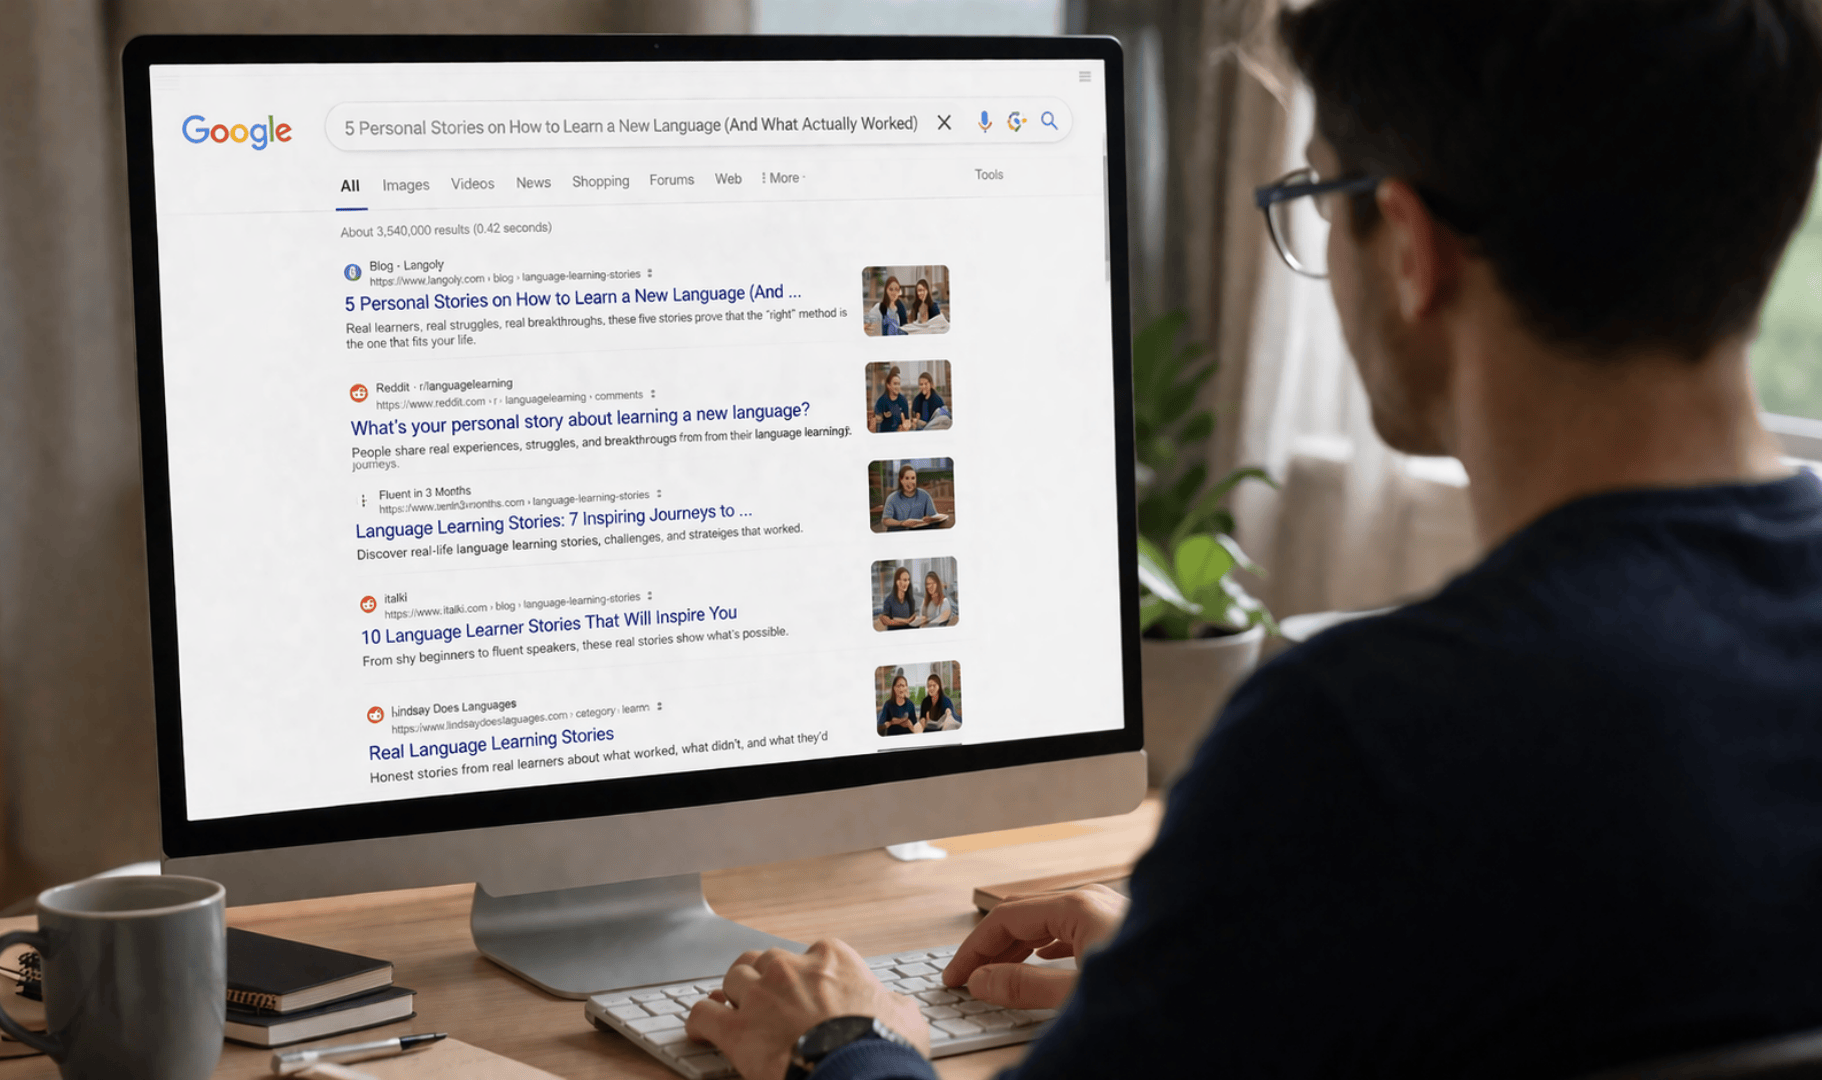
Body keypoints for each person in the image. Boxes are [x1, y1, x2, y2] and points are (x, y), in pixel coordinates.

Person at [683, 2, 1822, 1077]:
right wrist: (1206, 963)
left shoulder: (1361, 743)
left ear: (1411, 247)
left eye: (1318, 196)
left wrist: (843, 1041)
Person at [878, 464, 941, 531]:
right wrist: (902, 523)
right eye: (907, 478)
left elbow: (934, 516)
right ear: (901, 480)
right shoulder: (892, 498)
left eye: (913, 478)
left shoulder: (925, 495)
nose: (910, 482)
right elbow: (885, 521)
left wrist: (930, 518)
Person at [874, 567, 918, 631]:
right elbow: (885, 621)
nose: (907, 583)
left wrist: (897, 620)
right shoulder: (889, 600)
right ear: (898, 582)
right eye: (905, 580)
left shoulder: (910, 600)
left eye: (908, 580)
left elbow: (913, 619)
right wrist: (906, 621)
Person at [872, 368, 911, 434]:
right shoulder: (881, 401)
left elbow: (907, 419)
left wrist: (905, 426)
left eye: (898, 384)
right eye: (895, 384)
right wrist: (880, 417)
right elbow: (877, 418)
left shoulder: (903, 400)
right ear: (888, 385)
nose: (897, 386)